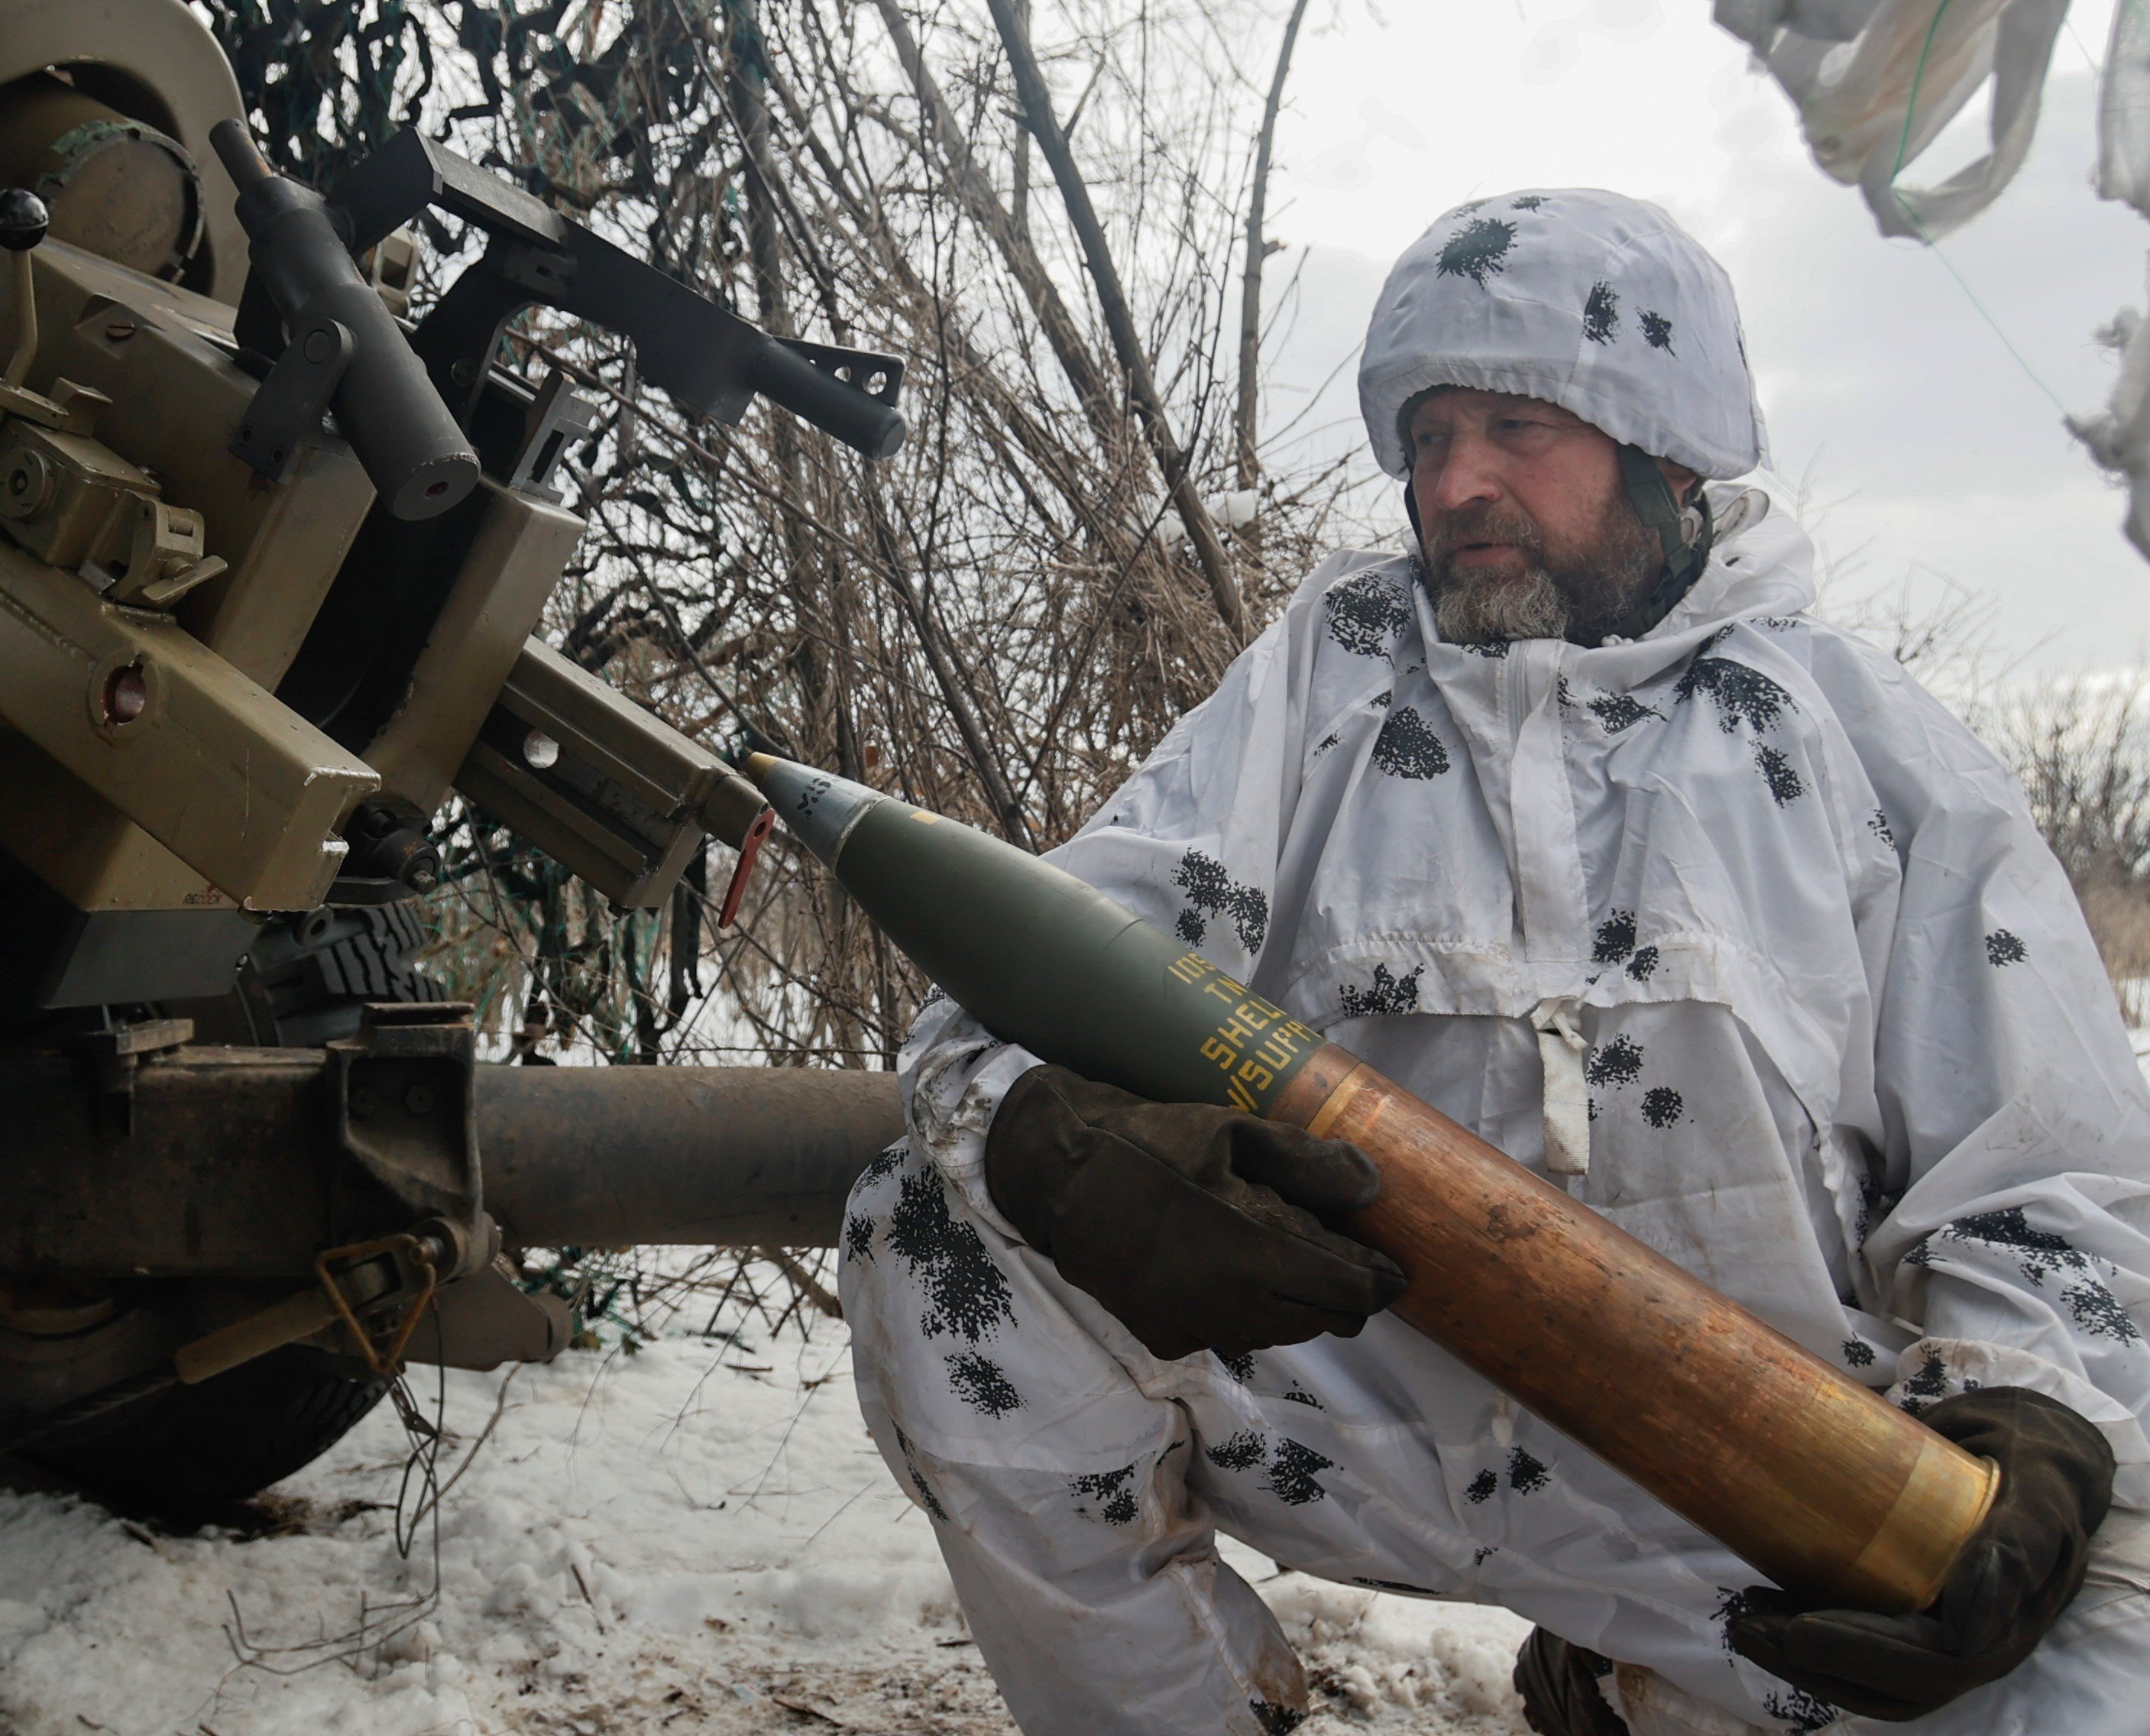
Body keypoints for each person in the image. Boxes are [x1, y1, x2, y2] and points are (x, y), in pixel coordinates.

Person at [838, 189, 2150, 1735]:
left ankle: (1641, 1678)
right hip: (1363, 1400)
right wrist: (1067, 1148)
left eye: (1519, 425)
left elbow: (2046, 1168)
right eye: (1430, 434)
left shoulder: (1864, 747)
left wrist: (2036, 1414)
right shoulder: (1324, 683)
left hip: (1765, 1480)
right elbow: (1014, 990)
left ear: (1669, 447)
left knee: (2097, 1651)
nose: (1457, 480)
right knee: (932, 1225)